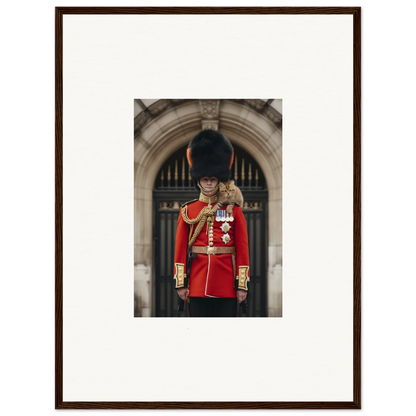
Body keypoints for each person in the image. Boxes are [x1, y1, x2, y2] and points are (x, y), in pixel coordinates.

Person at [173, 129, 250, 317]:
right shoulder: (187, 211)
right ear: (199, 180)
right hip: (197, 284)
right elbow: (181, 249)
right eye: (205, 179)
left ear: (219, 180)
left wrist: (242, 285)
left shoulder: (235, 211)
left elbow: (242, 248)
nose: (208, 183)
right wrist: (181, 283)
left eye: (212, 179)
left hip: (226, 284)